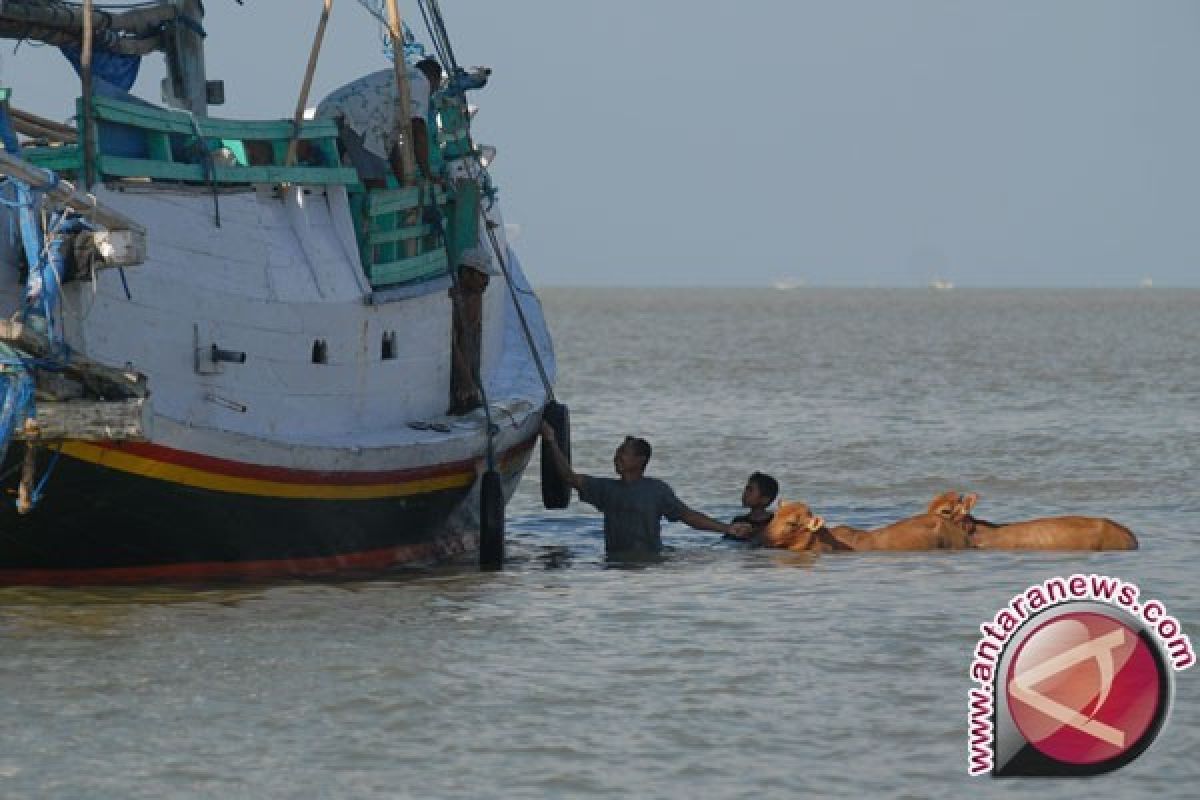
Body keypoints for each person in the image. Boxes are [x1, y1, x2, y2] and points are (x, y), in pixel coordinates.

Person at [540, 423, 752, 559]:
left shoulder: (657, 491)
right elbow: (568, 477)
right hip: (614, 563)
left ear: (640, 460)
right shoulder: (605, 489)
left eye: (622, 453)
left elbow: (687, 516)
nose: (616, 458)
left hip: (651, 563)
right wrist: (551, 441)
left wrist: (726, 529)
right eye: (616, 454)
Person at [316, 56, 443, 187]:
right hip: (355, 121)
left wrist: (404, 183)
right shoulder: (420, 80)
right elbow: (418, 129)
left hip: (328, 112)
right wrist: (427, 174)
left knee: (341, 180)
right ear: (435, 80)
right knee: (376, 185)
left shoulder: (397, 81)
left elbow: (391, 149)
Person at [448, 246, 496, 414]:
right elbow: (451, 343)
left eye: (487, 277)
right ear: (466, 274)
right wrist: (465, 379)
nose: (486, 282)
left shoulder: (475, 298)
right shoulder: (452, 299)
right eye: (481, 275)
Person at [728, 471, 779, 543]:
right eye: (746, 489)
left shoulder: (775, 522)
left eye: (750, 490)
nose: (745, 493)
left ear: (765, 499)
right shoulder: (738, 521)